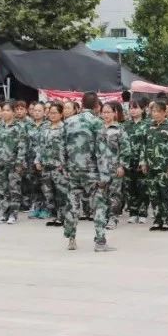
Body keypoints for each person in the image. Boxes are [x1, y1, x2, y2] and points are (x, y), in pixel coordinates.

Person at [61, 92, 106, 250]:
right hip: (92, 170)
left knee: (72, 204)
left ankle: (71, 239)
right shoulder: (97, 122)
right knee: (98, 204)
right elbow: (101, 150)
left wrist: (65, 166)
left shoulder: (69, 121)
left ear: (81, 103)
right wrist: (105, 174)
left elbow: (62, 147)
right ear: (96, 106)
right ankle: (100, 241)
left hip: (73, 170)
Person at [141, 99, 168, 232]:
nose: (155, 114)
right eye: (153, 111)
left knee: (165, 194)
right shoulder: (148, 128)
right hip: (151, 167)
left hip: (165, 167)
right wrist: (143, 162)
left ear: (165, 113)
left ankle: (167, 220)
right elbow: (143, 147)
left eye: (158, 111)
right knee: (153, 194)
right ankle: (157, 220)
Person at [0, 102, 25, 224]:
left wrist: (19, 163)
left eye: (8, 110)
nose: (4, 112)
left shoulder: (19, 127)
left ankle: (13, 214)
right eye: (3, 110)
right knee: (2, 190)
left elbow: (22, 147)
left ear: (13, 112)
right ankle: (4, 213)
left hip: (13, 164)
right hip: (0, 164)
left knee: (14, 190)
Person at [35, 103, 67, 228]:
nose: (52, 115)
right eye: (50, 113)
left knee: (61, 192)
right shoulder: (45, 128)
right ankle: (54, 215)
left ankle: (62, 216)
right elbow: (40, 146)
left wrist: (63, 164)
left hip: (58, 166)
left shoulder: (64, 128)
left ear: (61, 114)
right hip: (45, 165)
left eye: (55, 113)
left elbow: (66, 148)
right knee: (48, 193)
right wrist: (37, 160)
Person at [97, 102, 126, 232]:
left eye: (109, 112)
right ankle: (103, 217)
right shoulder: (98, 129)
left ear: (114, 113)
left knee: (115, 194)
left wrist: (122, 165)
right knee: (102, 194)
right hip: (101, 167)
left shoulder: (119, 129)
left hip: (115, 167)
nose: (106, 114)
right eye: (104, 112)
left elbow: (126, 149)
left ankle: (113, 218)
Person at [123, 97, 149, 225]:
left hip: (142, 161)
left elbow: (148, 144)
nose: (132, 111)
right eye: (131, 108)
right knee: (130, 187)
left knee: (143, 187)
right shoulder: (126, 125)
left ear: (143, 109)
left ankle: (143, 213)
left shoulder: (148, 124)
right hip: (129, 161)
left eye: (136, 108)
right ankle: (133, 212)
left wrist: (144, 160)